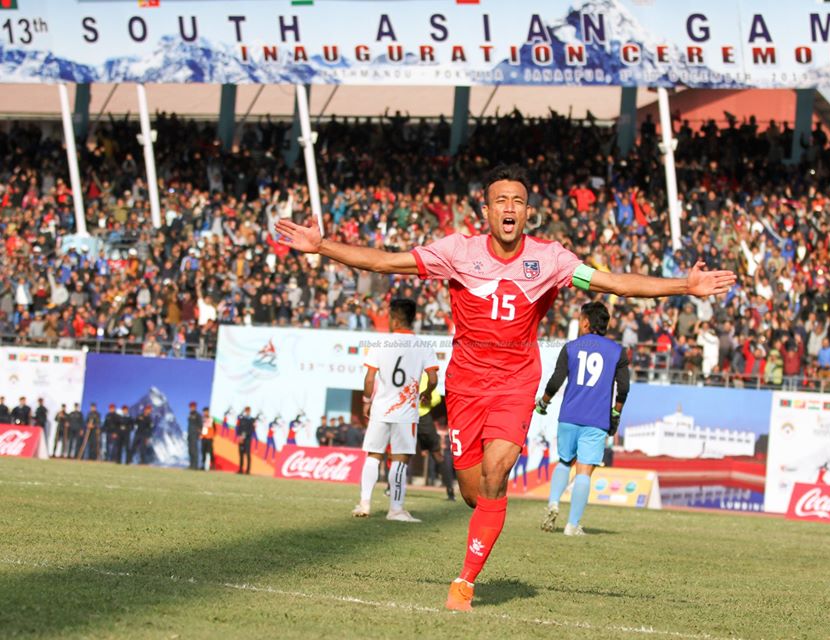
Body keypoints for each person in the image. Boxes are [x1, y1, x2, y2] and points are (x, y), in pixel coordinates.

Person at [276, 164, 735, 611]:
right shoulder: (457, 251)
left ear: (528, 212)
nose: (509, 207)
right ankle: (489, 514)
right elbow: (383, 261)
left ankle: (464, 583)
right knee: (476, 493)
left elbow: (615, 284)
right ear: (487, 211)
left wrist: (685, 286)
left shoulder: (551, 260)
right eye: (501, 200)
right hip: (465, 386)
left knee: (495, 477)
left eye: (518, 201)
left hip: (515, 384)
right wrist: (322, 246)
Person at [536, 302, 630, 536]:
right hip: (596, 419)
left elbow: (556, 381)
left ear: (586, 322)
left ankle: (553, 502)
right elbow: (624, 388)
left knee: (564, 462)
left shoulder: (571, 347)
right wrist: (615, 414)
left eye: (580, 320)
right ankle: (572, 525)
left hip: (569, 416)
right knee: (584, 470)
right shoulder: (617, 351)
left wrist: (544, 402)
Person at [353, 298, 439, 522]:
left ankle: (364, 503)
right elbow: (433, 378)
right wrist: (427, 392)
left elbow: (369, 379)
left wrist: (366, 400)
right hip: (406, 412)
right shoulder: (423, 346)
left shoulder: (381, 343)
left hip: (381, 409)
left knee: (373, 456)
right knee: (400, 459)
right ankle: (396, 510)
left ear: (395, 319)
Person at [417, 374, 455, 501]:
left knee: (437, 453)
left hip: (423, 418)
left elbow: (437, 398)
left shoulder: (424, 376)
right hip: (407, 418)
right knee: (401, 454)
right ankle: (390, 488)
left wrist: (427, 400)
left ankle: (450, 491)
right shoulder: (407, 373)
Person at [236, 406, 255, 474]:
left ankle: (248, 470)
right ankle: (240, 469)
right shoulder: (242, 419)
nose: (247, 412)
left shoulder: (252, 420)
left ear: (250, 411)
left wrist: (245, 435)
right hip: (241, 439)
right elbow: (239, 428)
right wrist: (239, 436)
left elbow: (252, 430)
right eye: (246, 411)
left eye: (248, 411)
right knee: (241, 453)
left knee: (247, 454)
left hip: (247, 439)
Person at [187, 401, 202, 470]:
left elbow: (200, 425)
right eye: (191, 407)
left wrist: (199, 434)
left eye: (193, 407)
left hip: (195, 434)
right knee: (190, 450)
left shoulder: (198, 415)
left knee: (194, 450)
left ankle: (195, 466)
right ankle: (191, 465)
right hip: (190, 434)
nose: (191, 408)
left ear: (195, 407)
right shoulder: (189, 415)